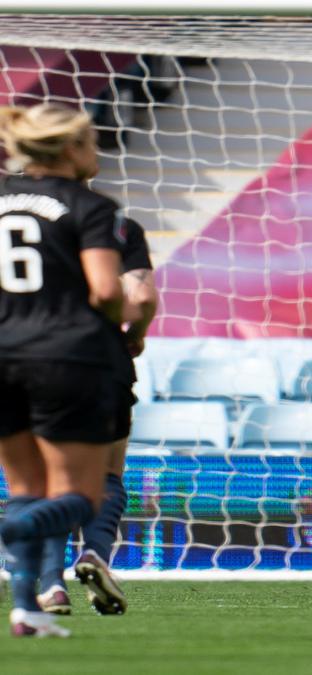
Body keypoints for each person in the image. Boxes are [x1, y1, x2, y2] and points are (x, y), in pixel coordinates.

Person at [0, 103, 127, 637]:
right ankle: (16, 531)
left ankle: (26, 608)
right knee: (79, 497)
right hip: (66, 354)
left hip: (2, 350)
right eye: (92, 141)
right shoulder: (88, 206)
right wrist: (119, 320)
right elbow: (105, 290)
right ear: (72, 149)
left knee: (24, 484)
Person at [38, 214, 156, 617]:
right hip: (102, 358)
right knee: (107, 474)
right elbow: (140, 297)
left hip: (32, 357)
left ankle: (51, 584)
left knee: (46, 479)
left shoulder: (10, 218)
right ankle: (94, 553)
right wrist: (133, 335)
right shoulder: (115, 224)